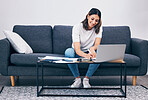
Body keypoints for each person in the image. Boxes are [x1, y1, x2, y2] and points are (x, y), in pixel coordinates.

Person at [65, 8, 103, 88]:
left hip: (89, 51)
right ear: (88, 16)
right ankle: (77, 79)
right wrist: (86, 56)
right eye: (92, 19)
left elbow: (97, 44)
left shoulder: (99, 28)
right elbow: (77, 49)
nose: (94, 22)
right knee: (68, 52)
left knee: (100, 54)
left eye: (96, 21)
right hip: (76, 52)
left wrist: (92, 49)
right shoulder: (77, 27)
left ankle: (86, 79)